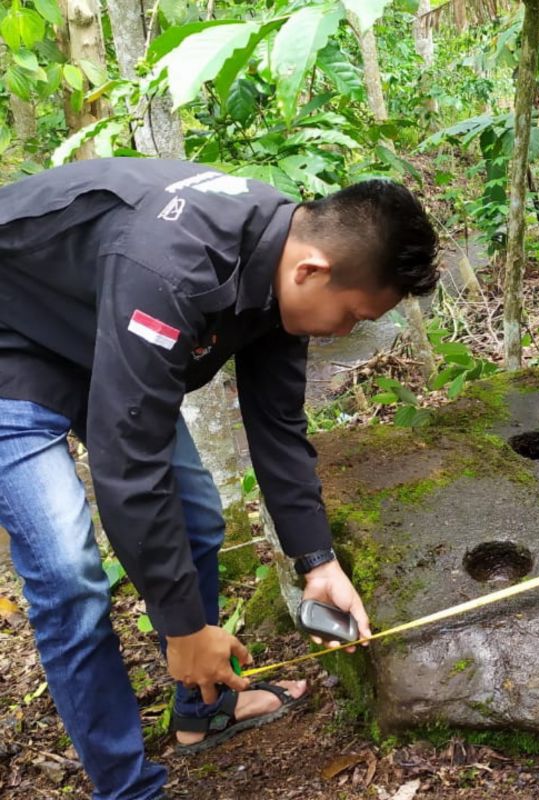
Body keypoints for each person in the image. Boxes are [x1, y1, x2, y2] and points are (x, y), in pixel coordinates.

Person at [0, 158, 438, 800]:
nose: (345, 332)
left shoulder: (284, 256)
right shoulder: (170, 267)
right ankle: (126, 789)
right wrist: (181, 627)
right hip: (13, 339)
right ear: (311, 271)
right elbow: (130, 458)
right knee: (69, 577)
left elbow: (278, 425)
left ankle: (201, 709)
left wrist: (317, 561)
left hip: (101, 336)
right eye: (349, 316)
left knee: (198, 516)